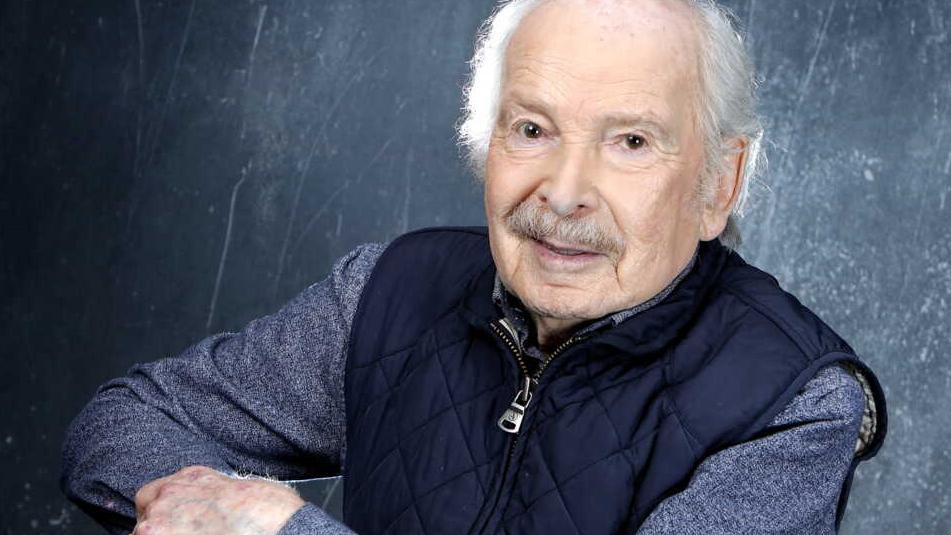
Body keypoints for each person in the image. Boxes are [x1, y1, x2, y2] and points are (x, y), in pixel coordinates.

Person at [60, 0, 888, 534]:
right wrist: (212, 506)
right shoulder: (389, 290)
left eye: (630, 141)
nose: (563, 192)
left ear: (719, 184)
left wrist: (280, 530)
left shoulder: (794, 399)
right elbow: (119, 425)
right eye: (531, 129)